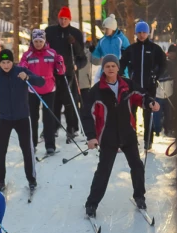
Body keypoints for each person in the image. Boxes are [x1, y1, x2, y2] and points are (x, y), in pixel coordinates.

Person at [80, 55, 160, 217]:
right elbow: (87, 114)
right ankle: (92, 204)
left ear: (118, 68)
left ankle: (139, 197)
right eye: (107, 66)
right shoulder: (97, 90)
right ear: (103, 68)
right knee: (104, 171)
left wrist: (150, 102)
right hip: (108, 136)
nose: (110, 68)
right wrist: (91, 136)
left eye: (113, 66)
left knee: (137, 166)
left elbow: (141, 95)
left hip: (127, 132)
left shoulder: (127, 84)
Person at [0, 50, 45, 192]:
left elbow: (41, 81)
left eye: (8, 62)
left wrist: (28, 77)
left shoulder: (21, 71)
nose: (6, 65)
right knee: (1, 150)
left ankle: (31, 179)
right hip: (5, 118)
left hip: (22, 117)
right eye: (3, 62)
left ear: (13, 62)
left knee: (27, 149)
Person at [18, 29, 66, 154]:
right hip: (33, 90)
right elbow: (22, 68)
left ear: (44, 41)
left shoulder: (51, 53)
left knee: (48, 118)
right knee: (33, 118)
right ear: (32, 42)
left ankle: (50, 145)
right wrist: (22, 68)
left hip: (49, 89)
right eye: (36, 41)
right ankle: (32, 144)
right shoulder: (28, 55)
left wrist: (60, 62)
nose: (38, 44)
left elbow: (61, 71)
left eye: (40, 41)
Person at [120, 21, 166, 150]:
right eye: (139, 32)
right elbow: (122, 62)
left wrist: (156, 75)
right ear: (136, 33)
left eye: (144, 32)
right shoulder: (132, 49)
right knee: (132, 114)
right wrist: (123, 76)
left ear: (147, 33)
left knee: (147, 114)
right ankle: (131, 140)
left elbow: (163, 63)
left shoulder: (154, 48)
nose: (141, 35)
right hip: (133, 87)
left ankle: (148, 140)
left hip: (149, 87)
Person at [45, 6, 87, 143]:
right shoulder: (50, 31)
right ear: (58, 18)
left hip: (69, 72)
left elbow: (82, 56)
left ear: (70, 19)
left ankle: (72, 128)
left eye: (66, 19)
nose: (63, 21)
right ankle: (53, 127)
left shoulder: (76, 33)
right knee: (54, 101)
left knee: (70, 101)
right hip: (52, 72)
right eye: (61, 18)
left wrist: (74, 43)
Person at [91, 14, 130, 82]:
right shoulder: (102, 40)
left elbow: (129, 54)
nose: (105, 30)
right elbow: (98, 54)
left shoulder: (121, 39)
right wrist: (94, 51)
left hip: (120, 72)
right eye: (104, 29)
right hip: (105, 72)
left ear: (112, 28)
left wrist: (125, 56)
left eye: (107, 28)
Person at [154, 44, 176, 137]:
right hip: (158, 94)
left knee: (168, 113)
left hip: (169, 94)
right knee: (157, 114)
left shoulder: (171, 65)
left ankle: (168, 129)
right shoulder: (155, 66)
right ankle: (157, 129)